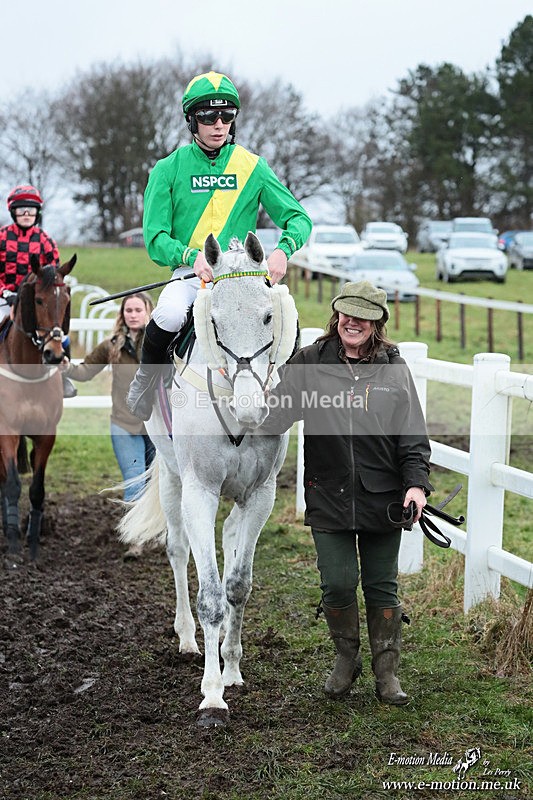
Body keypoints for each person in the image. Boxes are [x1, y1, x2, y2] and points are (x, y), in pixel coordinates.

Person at [261, 280, 433, 705]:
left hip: (384, 496)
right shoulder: (308, 363)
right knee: (337, 584)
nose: (352, 321)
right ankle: (345, 660)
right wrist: (251, 401)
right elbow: (275, 418)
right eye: (346, 313)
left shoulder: (394, 369)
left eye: (362, 316)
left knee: (382, 586)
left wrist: (415, 484)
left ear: (377, 323)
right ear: (336, 314)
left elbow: (412, 435)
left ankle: (387, 672)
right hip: (329, 494)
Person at [126, 70, 313, 420]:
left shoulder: (254, 167)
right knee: (167, 314)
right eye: (208, 117)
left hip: (242, 275)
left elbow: (299, 219)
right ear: (191, 121)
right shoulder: (167, 169)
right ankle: (147, 380)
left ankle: (285, 399)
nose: (218, 124)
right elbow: (154, 238)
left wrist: (282, 250)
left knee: (287, 315)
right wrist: (189, 256)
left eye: (226, 116)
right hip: (192, 272)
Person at [65, 293, 156, 557]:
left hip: (157, 426)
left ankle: (160, 530)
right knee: (134, 481)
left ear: (149, 312)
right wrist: (65, 366)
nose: (133, 314)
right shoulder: (112, 345)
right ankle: (136, 539)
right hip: (124, 424)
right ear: (122, 314)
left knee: (159, 482)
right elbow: (85, 371)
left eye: (138, 309)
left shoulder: (161, 343)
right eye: (128, 310)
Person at [0, 184, 77, 398]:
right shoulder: (2, 238)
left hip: (35, 300)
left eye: (31, 209)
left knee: (59, 334)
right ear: (12, 212)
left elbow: (54, 278)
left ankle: (63, 378)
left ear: (37, 212)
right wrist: (5, 292)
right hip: (6, 298)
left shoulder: (46, 242)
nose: (26, 214)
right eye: (21, 209)